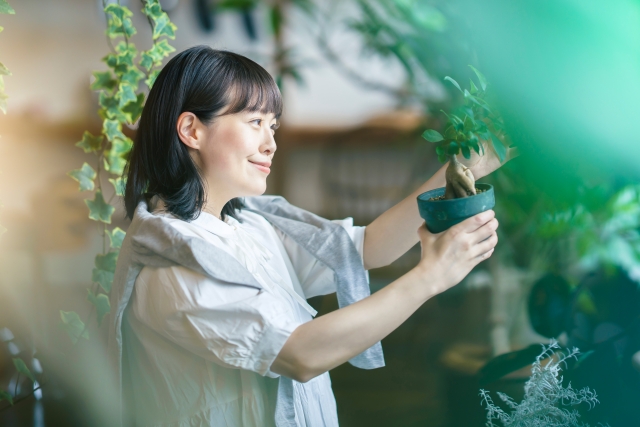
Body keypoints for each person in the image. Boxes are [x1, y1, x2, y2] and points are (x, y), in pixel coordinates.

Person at [107, 45, 505, 427]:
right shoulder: (172, 261)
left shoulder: (250, 226)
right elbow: (300, 353)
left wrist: (472, 161)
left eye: (273, 125)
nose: (271, 142)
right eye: (255, 122)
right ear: (192, 130)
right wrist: (431, 276)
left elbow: (365, 248)